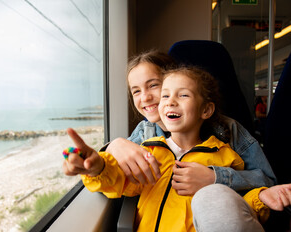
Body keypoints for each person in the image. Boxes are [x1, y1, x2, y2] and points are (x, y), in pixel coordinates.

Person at [63, 66, 291, 232]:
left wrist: (261, 198)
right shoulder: (149, 151)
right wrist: (98, 167)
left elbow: (233, 206)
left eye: (182, 95)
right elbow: (119, 179)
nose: (169, 102)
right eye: (165, 96)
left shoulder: (225, 154)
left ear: (206, 110)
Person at [63, 50, 277, 195]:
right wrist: (110, 148)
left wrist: (215, 177)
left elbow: (268, 181)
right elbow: (115, 175)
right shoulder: (144, 133)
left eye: (153, 85)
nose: (145, 97)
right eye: (136, 91)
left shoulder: (228, 128)